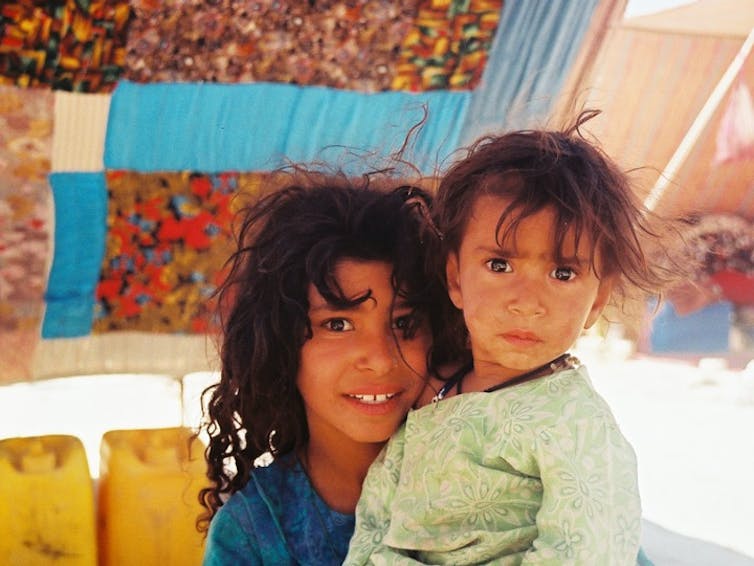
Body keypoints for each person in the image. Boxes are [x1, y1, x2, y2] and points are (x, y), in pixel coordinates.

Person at [345, 111, 673, 565]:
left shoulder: (575, 423)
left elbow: (589, 552)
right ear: (455, 278)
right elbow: (377, 515)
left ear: (597, 301)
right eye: (500, 265)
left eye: (563, 272)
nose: (527, 302)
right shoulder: (435, 394)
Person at [198, 170, 460, 565]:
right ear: (281, 343)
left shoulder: (483, 478)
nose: (379, 357)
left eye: (404, 323)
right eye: (337, 325)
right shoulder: (251, 535)